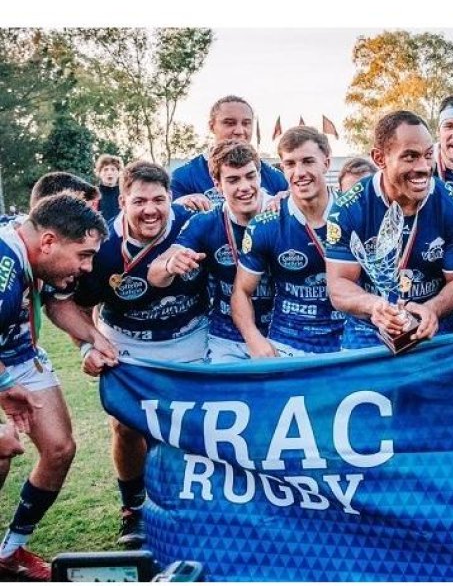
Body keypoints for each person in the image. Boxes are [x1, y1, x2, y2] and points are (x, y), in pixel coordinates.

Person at [50, 162, 208, 553]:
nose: (151, 210)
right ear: (122, 201)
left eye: (159, 200)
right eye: (139, 201)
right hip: (129, 348)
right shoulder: (99, 245)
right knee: (125, 428)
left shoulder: (193, 224)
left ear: (171, 199)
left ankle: (201, 504)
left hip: (192, 342)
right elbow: (65, 304)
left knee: (198, 428)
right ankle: (133, 507)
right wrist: (89, 346)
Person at [0, 194, 107, 581]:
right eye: (83, 255)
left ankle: (8, 553)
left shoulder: (39, 259)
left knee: (60, 448)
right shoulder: (4, 264)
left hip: (19, 351)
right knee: (2, 449)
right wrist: (4, 384)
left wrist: (97, 339)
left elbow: (59, 305)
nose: (87, 266)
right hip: (4, 364)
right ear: (48, 242)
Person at [326, 110, 453, 350]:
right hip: (367, 330)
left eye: (428, 155)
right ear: (379, 158)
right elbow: (338, 285)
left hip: (431, 328)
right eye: (410, 157)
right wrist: (374, 306)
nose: (424, 167)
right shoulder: (348, 208)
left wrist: (431, 309)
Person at [148, 141, 272, 362]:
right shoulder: (205, 223)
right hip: (226, 336)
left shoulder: (281, 212)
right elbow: (154, 274)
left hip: (281, 332)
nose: (244, 186)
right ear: (217, 185)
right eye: (233, 180)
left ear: (260, 176)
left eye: (250, 176)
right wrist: (170, 265)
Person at [234, 126, 344, 356]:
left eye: (307, 161)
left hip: (350, 341)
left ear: (326, 162)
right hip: (288, 345)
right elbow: (241, 292)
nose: (299, 172)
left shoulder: (355, 213)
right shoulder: (266, 225)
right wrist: (254, 339)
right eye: (290, 164)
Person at [170, 95, 289, 210]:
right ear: (212, 126)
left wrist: (289, 200)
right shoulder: (183, 177)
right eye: (229, 123)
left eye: (246, 123)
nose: (239, 131)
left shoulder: (275, 177)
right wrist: (179, 204)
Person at [94, 154, 123, 222]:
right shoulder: (93, 194)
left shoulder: (125, 194)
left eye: (113, 169)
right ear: (99, 173)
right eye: (105, 170)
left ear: (119, 173)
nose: (109, 173)